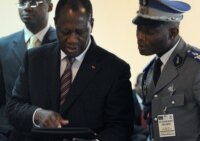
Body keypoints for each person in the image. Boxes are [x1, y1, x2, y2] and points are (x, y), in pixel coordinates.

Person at [7, 0, 134, 141]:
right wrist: (37, 114)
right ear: (55, 23)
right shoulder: (34, 59)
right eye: (65, 32)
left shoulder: (114, 69)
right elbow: (13, 108)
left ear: (91, 24)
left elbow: (121, 127)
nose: (72, 40)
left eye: (79, 32)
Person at [132, 0, 200, 141]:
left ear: (173, 32)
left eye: (150, 32)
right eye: (139, 29)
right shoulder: (151, 71)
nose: (140, 37)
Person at [0, 0, 56, 140]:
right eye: (22, 2)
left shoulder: (64, 44)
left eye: (33, 2)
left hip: (49, 133)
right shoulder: (3, 46)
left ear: (49, 6)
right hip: (9, 134)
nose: (27, 8)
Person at [132, 73, 149, 141]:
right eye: (142, 84)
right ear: (136, 85)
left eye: (148, 84)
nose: (145, 87)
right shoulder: (127, 99)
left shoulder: (153, 98)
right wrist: (150, 130)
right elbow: (129, 126)